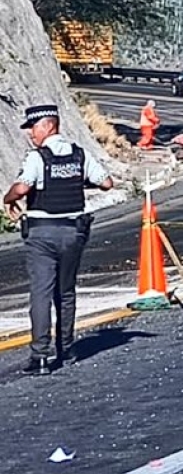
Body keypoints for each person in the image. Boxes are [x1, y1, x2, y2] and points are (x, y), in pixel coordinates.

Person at [3, 104, 113, 375]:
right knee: (65, 292)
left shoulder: (37, 158)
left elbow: (23, 186)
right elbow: (107, 183)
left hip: (42, 233)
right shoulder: (80, 155)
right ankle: (67, 349)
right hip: (73, 231)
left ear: (49, 126)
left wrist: (8, 198)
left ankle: (40, 356)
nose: (30, 133)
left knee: (41, 293)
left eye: (33, 127)